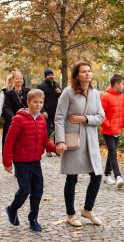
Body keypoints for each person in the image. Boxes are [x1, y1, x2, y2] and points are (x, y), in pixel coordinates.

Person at [55, 61, 105, 227]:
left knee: (97, 176)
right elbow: (59, 118)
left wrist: (84, 119)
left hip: (90, 141)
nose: (88, 74)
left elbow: (101, 117)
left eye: (89, 71)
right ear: (76, 75)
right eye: (84, 72)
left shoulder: (95, 93)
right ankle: (71, 214)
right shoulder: (68, 93)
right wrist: (60, 141)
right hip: (73, 141)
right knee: (72, 177)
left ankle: (87, 210)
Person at [3, 89, 60, 231]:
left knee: (38, 190)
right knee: (25, 190)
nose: (38, 105)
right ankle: (12, 208)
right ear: (28, 103)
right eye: (35, 102)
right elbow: (9, 142)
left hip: (35, 161)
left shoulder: (41, 119)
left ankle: (33, 218)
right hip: (21, 161)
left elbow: (45, 141)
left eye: (41, 102)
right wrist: (7, 162)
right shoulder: (18, 120)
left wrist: (55, 148)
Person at [100, 74, 124, 188]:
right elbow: (101, 114)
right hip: (107, 130)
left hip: (117, 129)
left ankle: (107, 175)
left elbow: (123, 110)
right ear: (116, 84)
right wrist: (109, 125)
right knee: (113, 153)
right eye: (122, 84)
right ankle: (118, 176)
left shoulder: (121, 96)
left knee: (112, 153)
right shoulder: (105, 96)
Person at [2, 71, 30, 152]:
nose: (19, 80)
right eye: (17, 78)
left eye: (20, 78)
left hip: (25, 119)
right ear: (13, 80)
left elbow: (31, 103)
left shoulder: (27, 91)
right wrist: (13, 117)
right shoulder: (8, 93)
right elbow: (7, 107)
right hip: (12, 120)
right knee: (10, 141)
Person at [37, 69, 62, 157]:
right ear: (45, 76)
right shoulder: (41, 86)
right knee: (46, 132)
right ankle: (48, 150)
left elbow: (62, 96)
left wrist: (60, 92)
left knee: (58, 131)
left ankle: (56, 149)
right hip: (46, 113)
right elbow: (39, 99)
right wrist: (42, 111)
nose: (51, 76)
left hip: (56, 112)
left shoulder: (56, 84)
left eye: (52, 74)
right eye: (49, 75)